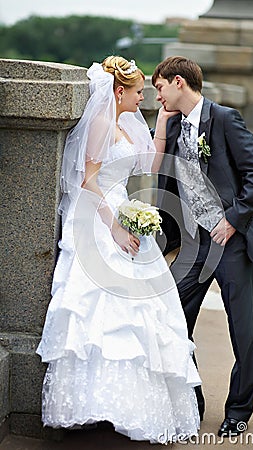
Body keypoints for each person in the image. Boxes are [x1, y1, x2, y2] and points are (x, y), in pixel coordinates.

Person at [36, 56, 201, 444]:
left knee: (141, 311)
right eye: (139, 91)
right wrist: (113, 227)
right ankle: (90, 407)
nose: (144, 97)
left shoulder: (128, 124)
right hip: (97, 217)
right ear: (119, 91)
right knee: (98, 310)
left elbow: (148, 167)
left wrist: (161, 125)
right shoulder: (99, 123)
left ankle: (130, 407)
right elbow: (88, 181)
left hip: (123, 212)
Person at [151, 56, 253, 437]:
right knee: (174, 320)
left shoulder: (224, 119)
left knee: (244, 329)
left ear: (178, 82)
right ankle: (192, 402)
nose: (157, 97)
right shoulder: (171, 128)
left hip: (231, 241)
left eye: (159, 88)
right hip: (193, 244)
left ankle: (238, 411)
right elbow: (163, 180)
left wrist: (233, 220)